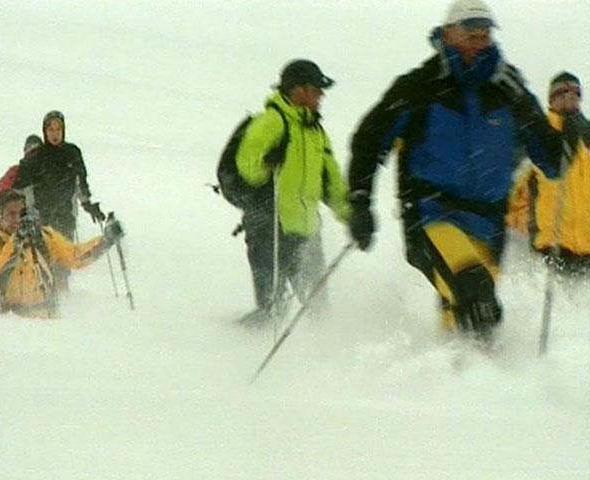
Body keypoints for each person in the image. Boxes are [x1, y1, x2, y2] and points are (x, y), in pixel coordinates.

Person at [346, 0, 565, 342]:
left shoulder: (508, 90)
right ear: (448, 34)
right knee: (472, 289)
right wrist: (360, 199)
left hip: (489, 222)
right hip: (431, 213)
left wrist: (559, 143)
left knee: (477, 314)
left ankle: (457, 383)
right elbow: (370, 139)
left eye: (485, 33)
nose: (480, 40)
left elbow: (551, 160)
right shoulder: (420, 86)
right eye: (470, 32)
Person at [234, 59, 351, 323]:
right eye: (316, 90)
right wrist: (267, 164)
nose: (321, 96)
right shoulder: (272, 122)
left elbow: (331, 181)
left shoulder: (315, 131)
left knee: (319, 310)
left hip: (307, 232)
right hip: (269, 228)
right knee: (273, 311)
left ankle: (316, 358)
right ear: (298, 90)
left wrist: (353, 216)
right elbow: (246, 165)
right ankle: (240, 353)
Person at [0, 190, 124, 319]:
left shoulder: (43, 237)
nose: (17, 219)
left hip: (46, 323)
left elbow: (74, 257)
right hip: (8, 324)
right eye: (11, 214)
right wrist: (17, 240)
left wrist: (106, 240)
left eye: (21, 213)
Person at [507, 72, 590, 275]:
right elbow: (511, 201)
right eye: (562, 93)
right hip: (552, 251)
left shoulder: (587, 138)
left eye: (574, 94)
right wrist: (531, 226)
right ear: (551, 99)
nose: (569, 98)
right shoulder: (537, 140)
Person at [14, 110, 106, 290]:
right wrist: (24, 212)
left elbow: (80, 184)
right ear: (44, 131)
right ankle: (43, 297)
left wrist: (88, 205)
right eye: (51, 129)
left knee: (64, 258)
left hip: (65, 215)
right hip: (40, 217)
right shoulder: (35, 158)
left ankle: (63, 296)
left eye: (58, 129)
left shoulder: (72, 153)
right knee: (42, 259)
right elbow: (22, 188)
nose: (55, 134)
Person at [0, 134, 43, 216]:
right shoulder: (17, 171)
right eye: (30, 148)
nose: (33, 153)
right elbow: (0, 188)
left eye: (36, 149)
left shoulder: (48, 170)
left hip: (47, 215)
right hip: (21, 216)